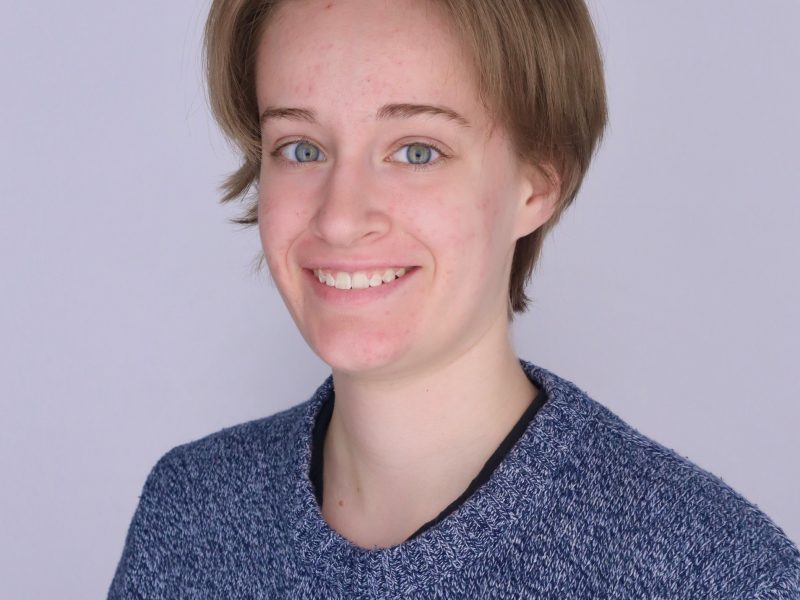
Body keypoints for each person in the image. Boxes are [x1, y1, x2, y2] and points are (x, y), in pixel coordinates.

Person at [108, 0, 800, 597]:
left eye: (417, 151)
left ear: (539, 182)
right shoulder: (190, 510)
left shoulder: (714, 575)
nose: (340, 218)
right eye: (301, 148)